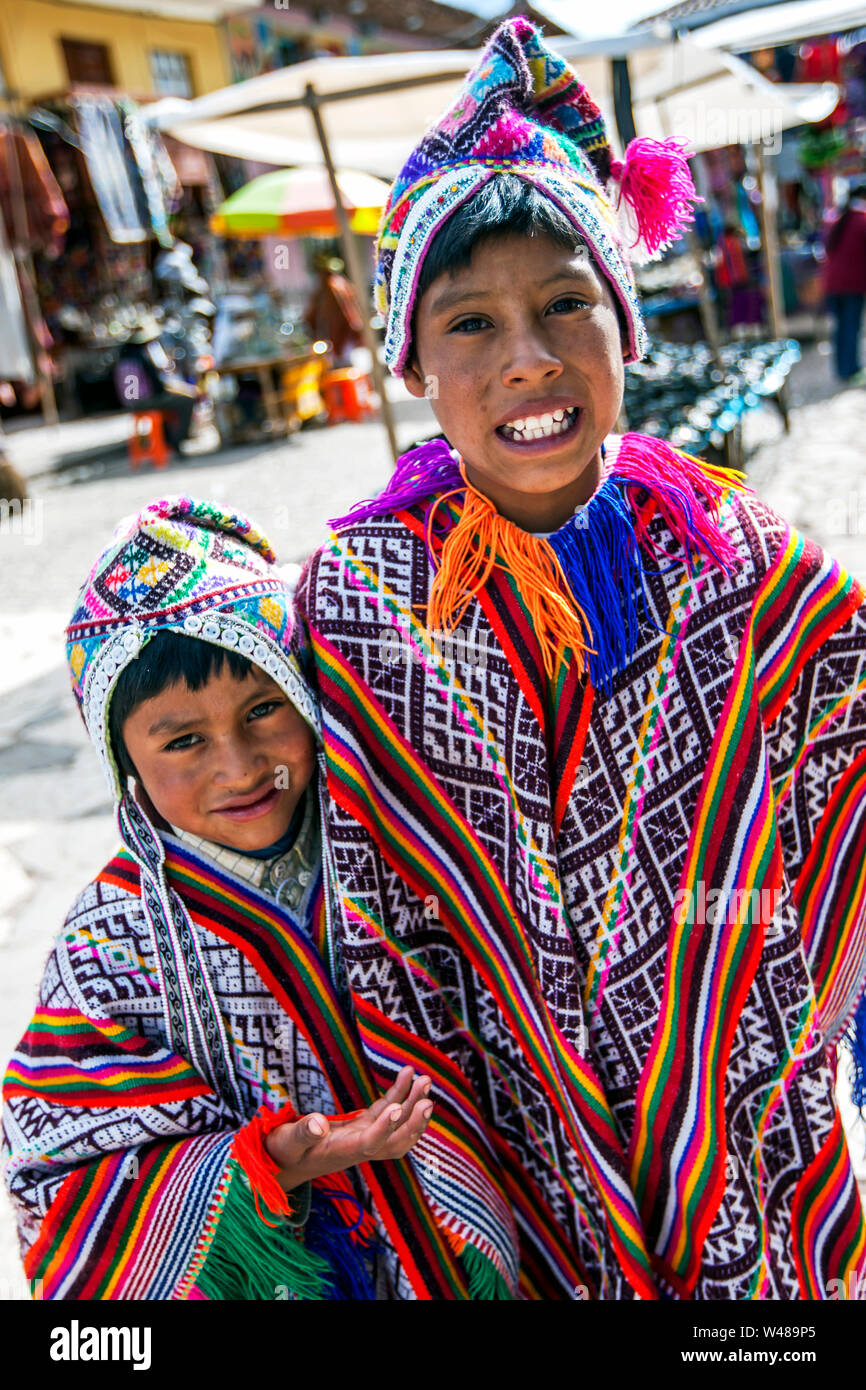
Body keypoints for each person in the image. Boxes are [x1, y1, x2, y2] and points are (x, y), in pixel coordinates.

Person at [295, 18, 866, 1300]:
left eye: (564, 304)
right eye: (470, 324)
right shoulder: (360, 598)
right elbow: (348, 883)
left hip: (739, 1123)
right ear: (412, 367)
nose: (527, 358)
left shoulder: (744, 562)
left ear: (621, 321)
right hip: (505, 1142)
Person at [1, 496, 437, 1300]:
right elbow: (58, 1174)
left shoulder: (394, 851)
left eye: (264, 709)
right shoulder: (108, 947)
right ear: (121, 761)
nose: (239, 768)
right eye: (183, 741)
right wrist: (268, 1166)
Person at [113, 317, 197, 452]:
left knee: (176, 400)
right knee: (186, 401)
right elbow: (134, 394)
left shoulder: (128, 359)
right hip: (142, 402)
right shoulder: (133, 362)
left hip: (141, 400)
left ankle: (170, 438)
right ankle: (176, 440)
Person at [822, 179, 866, 384]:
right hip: (850, 286)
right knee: (850, 327)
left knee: (841, 327)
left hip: (834, 284)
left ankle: (843, 369)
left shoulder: (843, 218)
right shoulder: (860, 220)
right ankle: (849, 370)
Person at [303, 254, 364, 367]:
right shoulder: (331, 285)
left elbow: (345, 312)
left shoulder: (334, 285)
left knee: (344, 366)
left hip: (340, 334)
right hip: (337, 335)